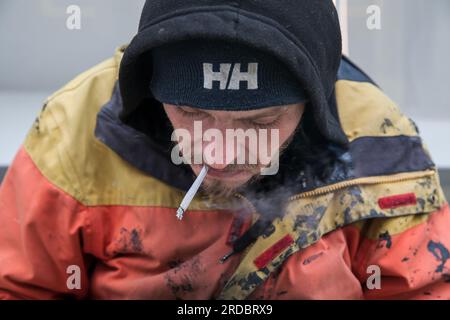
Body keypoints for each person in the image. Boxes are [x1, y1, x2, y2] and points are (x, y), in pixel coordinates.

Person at [0, 0, 449, 300]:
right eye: (191, 112)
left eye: (261, 121)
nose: (219, 153)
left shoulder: (379, 143)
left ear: (314, 103)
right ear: (151, 88)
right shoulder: (73, 129)